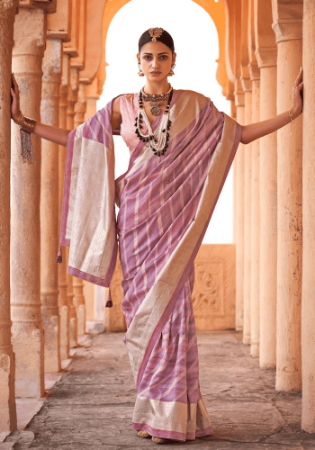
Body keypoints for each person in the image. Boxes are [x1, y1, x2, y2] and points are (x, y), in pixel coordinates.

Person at [11, 27, 303, 445]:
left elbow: (238, 134)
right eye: (148, 56)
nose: (155, 63)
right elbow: (78, 141)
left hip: (174, 231)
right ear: (138, 62)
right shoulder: (122, 108)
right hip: (134, 224)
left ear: (173, 61)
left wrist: (293, 113)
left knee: (175, 311)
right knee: (140, 317)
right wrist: (26, 122)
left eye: (162, 56)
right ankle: (152, 411)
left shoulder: (195, 108)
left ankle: (175, 416)